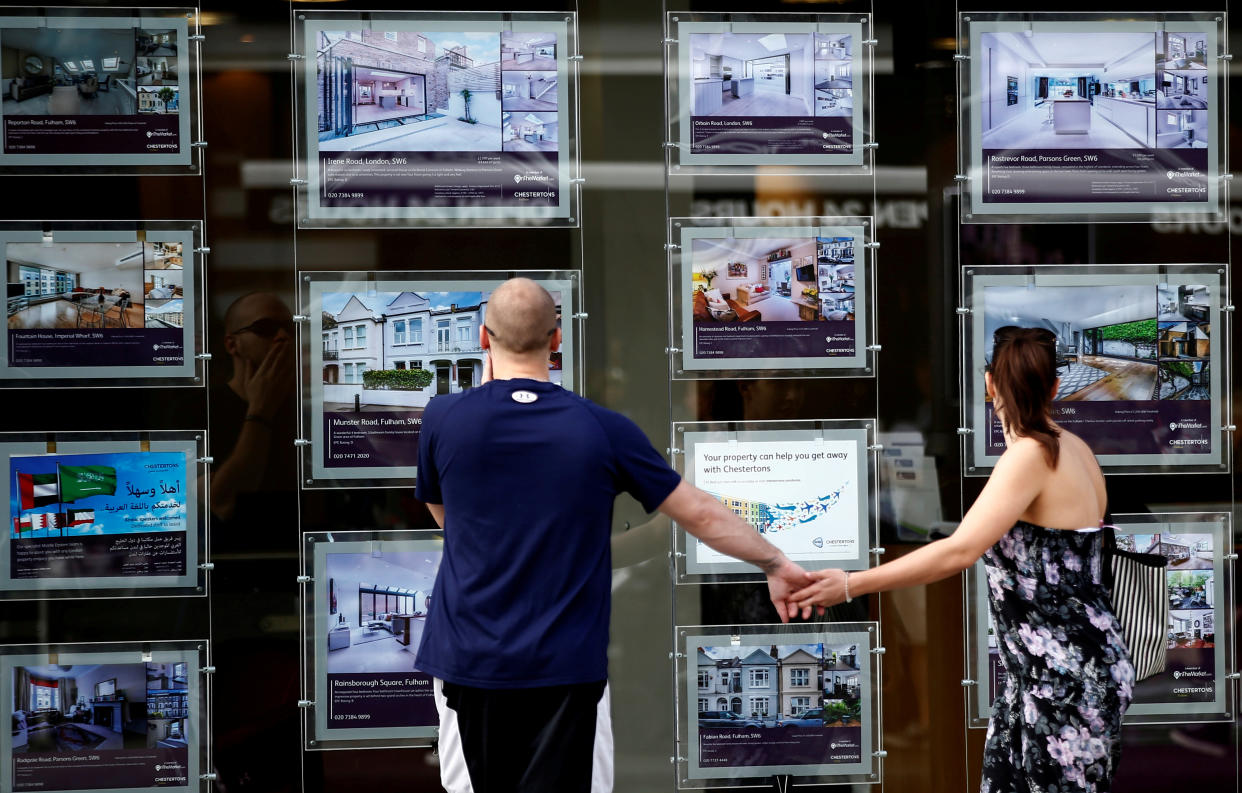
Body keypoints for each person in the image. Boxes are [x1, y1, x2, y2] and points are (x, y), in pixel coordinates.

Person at [415, 278, 812, 793]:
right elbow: (702, 515)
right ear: (557, 340)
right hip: (566, 667)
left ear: (483, 339)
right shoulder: (601, 428)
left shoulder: (443, 418)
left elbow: (442, 510)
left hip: (466, 659)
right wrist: (776, 562)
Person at [790, 326, 1134, 793]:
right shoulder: (1075, 449)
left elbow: (960, 549)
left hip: (1059, 682)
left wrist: (851, 584)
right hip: (1075, 669)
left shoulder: (1031, 456)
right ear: (1055, 387)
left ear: (990, 383)